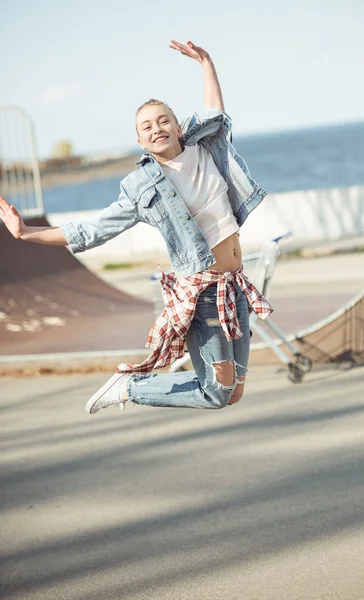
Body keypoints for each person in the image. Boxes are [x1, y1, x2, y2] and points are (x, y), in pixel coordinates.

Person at [0, 40, 272, 414]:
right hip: (203, 294)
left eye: (163, 121)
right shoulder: (142, 187)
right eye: (147, 126)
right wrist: (26, 232)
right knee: (216, 394)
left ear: (178, 128)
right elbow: (94, 229)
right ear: (140, 141)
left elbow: (216, 113)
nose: (157, 128)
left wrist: (206, 63)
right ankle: (132, 387)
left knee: (233, 391)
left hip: (235, 286)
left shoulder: (206, 146)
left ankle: (139, 385)